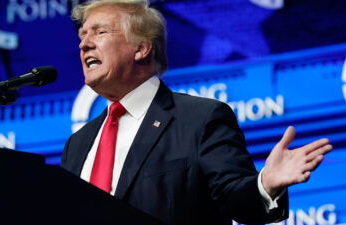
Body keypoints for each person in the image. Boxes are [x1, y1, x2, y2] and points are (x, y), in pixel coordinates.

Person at [61, 0, 332, 224]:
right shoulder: (78, 144)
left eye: (99, 32)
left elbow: (234, 199)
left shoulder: (200, 119)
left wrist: (265, 185)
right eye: (82, 35)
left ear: (141, 48)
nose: (84, 44)